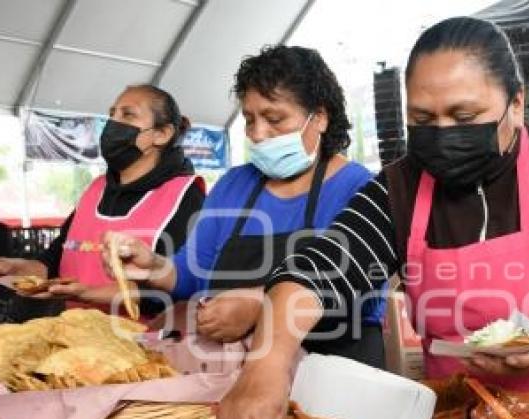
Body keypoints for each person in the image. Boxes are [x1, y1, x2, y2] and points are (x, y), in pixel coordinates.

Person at [213, 17, 529, 419]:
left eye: (465, 116)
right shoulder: (400, 189)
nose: (444, 134)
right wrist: (267, 363)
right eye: (424, 121)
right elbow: (321, 268)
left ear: (517, 103)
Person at [104, 46, 386, 366]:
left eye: (274, 118)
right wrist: (152, 266)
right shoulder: (233, 186)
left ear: (319, 118)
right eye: (250, 120)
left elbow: (357, 292)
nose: (258, 134)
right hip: (228, 375)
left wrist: (261, 306)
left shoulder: (360, 189)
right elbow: (193, 275)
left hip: (333, 375)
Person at [0, 85, 205, 316]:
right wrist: (12, 267)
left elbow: (172, 288)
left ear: (161, 134)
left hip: (142, 345)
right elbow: (51, 261)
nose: (113, 123)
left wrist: (86, 293)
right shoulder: (96, 189)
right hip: (78, 338)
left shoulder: (184, 195)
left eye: (128, 114)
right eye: (112, 113)